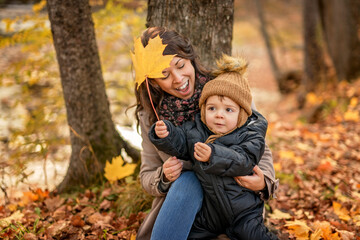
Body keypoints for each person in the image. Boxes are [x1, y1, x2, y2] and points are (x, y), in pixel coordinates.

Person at [131, 27, 278, 240]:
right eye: (164, 75)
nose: (178, 78)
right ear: (152, 81)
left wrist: (264, 182)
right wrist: (163, 176)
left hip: (235, 202)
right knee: (189, 179)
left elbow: (258, 148)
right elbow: (147, 175)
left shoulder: (227, 90)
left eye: (181, 65)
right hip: (189, 206)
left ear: (190, 59)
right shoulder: (152, 116)